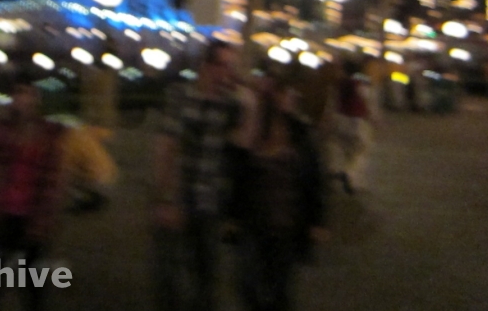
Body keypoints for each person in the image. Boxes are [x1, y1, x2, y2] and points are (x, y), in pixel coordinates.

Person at [152, 39, 244, 311]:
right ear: (206, 66)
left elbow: (242, 146)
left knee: (206, 278)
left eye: (231, 66)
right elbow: (166, 148)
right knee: (168, 278)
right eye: (222, 65)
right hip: (178, 197)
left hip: (209, 202)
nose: (227, 72)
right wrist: (165, 198)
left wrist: (249, 100)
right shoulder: (180, 96)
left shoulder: (230, 105)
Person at [237, 75, 327, 311]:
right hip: (255, 221)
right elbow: (238, 171)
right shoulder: (254, 128)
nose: (287, 100)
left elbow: (314, 178)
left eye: (289, 95)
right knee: (248, 285)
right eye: (282, 95)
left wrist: (317, 221)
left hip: (287, 223)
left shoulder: (299, 132)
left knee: (280, 288)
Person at [0, 77, 68, 311]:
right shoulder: (1, 128)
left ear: (37, 99)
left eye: (29, 93)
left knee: (33, 283)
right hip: (3, 212)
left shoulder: (49, 134)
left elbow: (54, 177)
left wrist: (46, 217)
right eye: (19, 93)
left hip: (32, 214)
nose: (23, 99)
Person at [327, 59, 374, 194]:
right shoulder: (360, 84)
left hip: (340, 119)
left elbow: (332, 103)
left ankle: (341, 170)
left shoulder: (338, 84)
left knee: (346, 149)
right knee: (360, 150)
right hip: (356, 120)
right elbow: (366, 101)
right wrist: (373, 117)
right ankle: (349, 175)